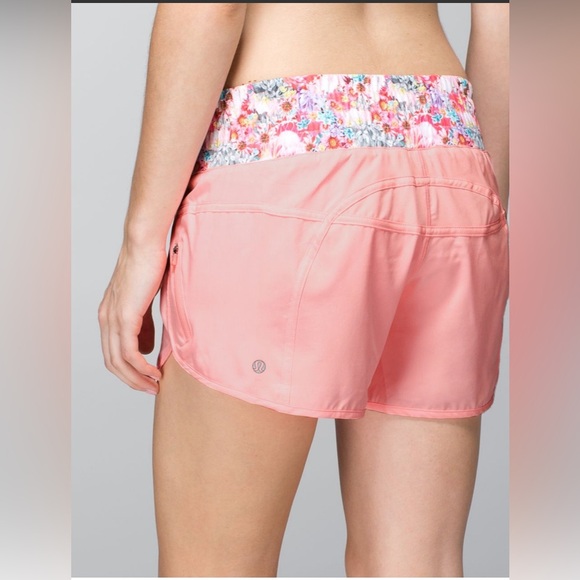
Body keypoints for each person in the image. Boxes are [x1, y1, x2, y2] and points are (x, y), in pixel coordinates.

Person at [98, 3, 509, 577]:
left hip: (288, 148)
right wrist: (484, 210)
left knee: (215, 566)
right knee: (417, 565)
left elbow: (212, 8)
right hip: (452, 150)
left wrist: (141, 241)